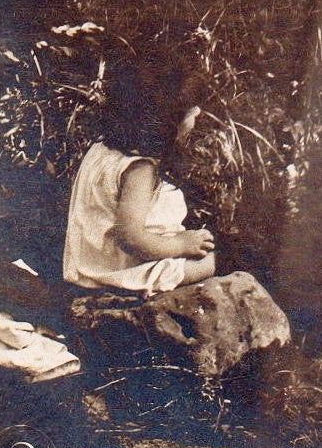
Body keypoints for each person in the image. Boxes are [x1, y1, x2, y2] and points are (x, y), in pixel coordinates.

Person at [63, 62, 218, 295]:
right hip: (118, 272)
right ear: (168, 124)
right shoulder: (140, 169)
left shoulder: (102, 149)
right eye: (191, 114)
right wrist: (181, 245)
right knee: (213, 260)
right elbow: (131, 239)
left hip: (92, 262)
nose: (195, 120)